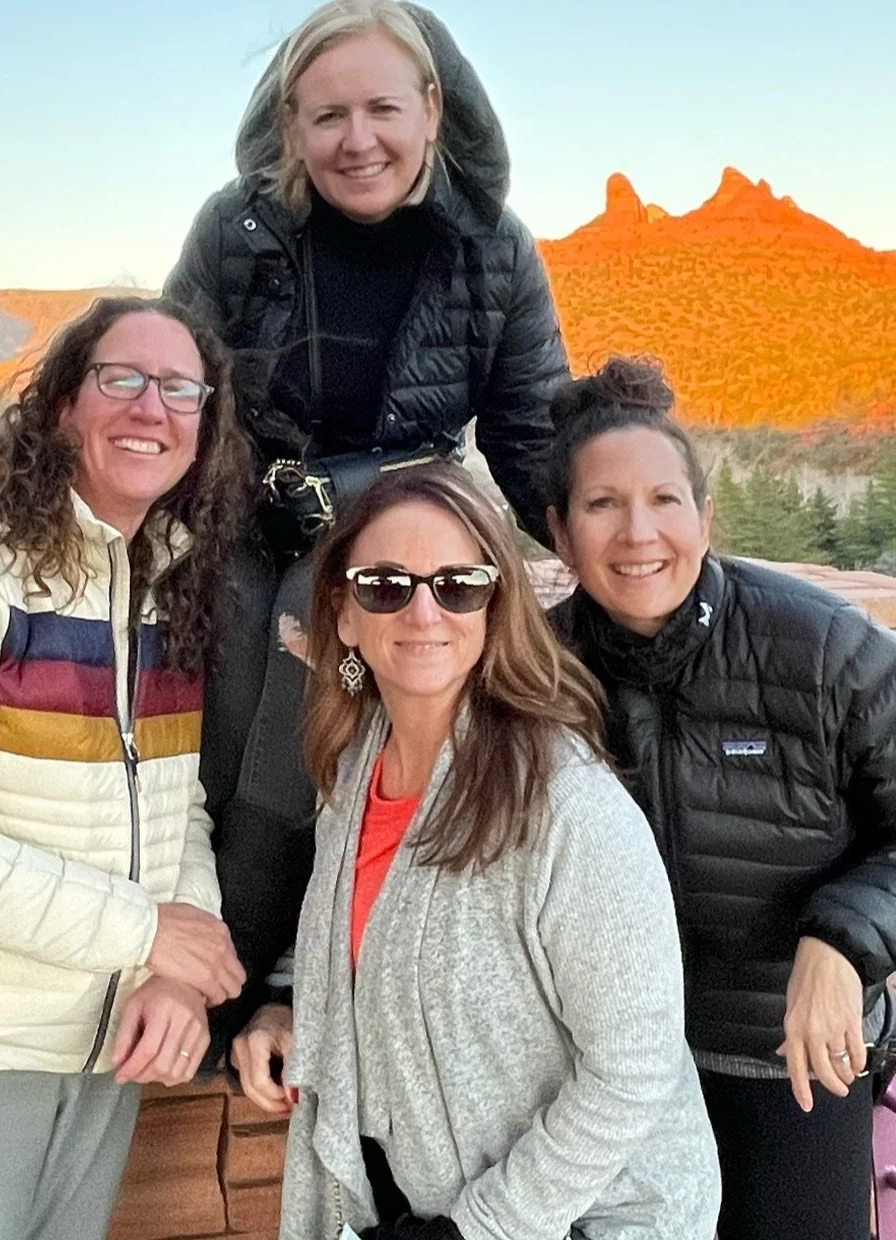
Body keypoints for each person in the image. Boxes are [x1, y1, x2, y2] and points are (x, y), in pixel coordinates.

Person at [0, 0, 569, 1046]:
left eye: (381, 109)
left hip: (392, 534)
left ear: (432, 107)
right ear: (290, 123)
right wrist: (11, 463)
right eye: (325, 117)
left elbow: (533, 436)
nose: (355, 140)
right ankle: (198, 955)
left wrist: (632, 543)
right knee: (199, 715)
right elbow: (155, 370)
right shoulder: (242, 228)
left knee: (296, 716)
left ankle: (232, 987)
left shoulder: (491, 249)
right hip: (247, 513)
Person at [541, 358, 896, 1240]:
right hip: (606, 1075)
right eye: (602, 505)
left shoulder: (825, 648)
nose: (638, 533)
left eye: (665, 501)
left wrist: (839, 939)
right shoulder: (533, 671)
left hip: (786, 1068)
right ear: (560, 536)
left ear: (705, 518)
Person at [0, 297, 251, 1240]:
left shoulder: (162, 582)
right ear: (64, 402)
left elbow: (173, 807)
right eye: (121, 378)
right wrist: (148, 934)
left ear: (204, 426)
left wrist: (175, 976)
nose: (151, 406)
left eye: (181, 388)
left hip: (105, 1047)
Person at [231, 462, 720, 1240]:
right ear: (344, 614)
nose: (423, 610)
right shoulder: (356, 766)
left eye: (458, 583)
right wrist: (290, 1006)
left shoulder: (567, 807)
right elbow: (363, 926)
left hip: (580, 1221)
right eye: (384, 585)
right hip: (408, 1203)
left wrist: (472, 1232)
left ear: (496, 607)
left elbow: (633, 1073)